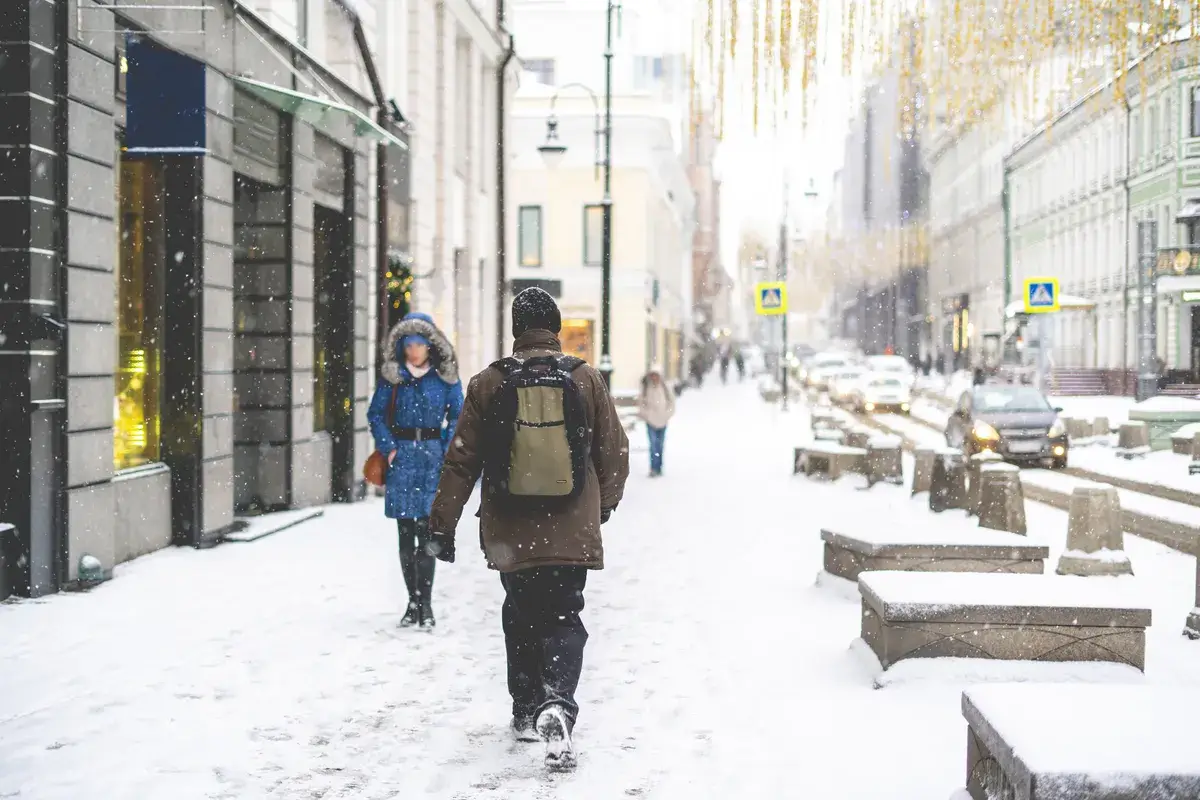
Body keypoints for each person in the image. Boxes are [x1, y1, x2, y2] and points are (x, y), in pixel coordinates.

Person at [428, 288, 630, 770]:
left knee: (520, 615)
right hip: (570, 528)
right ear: (556, 328)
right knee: (564, 615)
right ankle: (558, 702)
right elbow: (614, 453)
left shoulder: (488, 383)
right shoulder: (585, 380)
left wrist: (443, 524)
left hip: (510, 531)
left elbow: (461, 461)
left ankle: (524, 711)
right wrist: (600, 506)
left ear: (516, 329)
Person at [367, 311, 463, 629]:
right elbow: (376, 414)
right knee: (406, 534)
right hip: (403, 459)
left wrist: (446, 447)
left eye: (420, 344)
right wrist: (390, 447)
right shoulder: (392, 377)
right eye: (409, 344)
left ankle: (427, 603)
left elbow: (459, 413)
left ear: (430, 345)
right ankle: (412, 601)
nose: (414, 350)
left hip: (432, 459)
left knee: (427, 533)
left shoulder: (445, 377)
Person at [639, 365, 676, 477]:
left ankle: (659, 466)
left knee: (660, 445)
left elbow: (672, 403)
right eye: (653, 375)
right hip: (651, 422)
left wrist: (667, 415)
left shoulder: (665, 387)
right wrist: (646, 415)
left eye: (656, 375)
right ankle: (653, 468)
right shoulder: (646, 388)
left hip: (663, 421)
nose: (655, 378)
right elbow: (641, 403)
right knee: (653, 445)